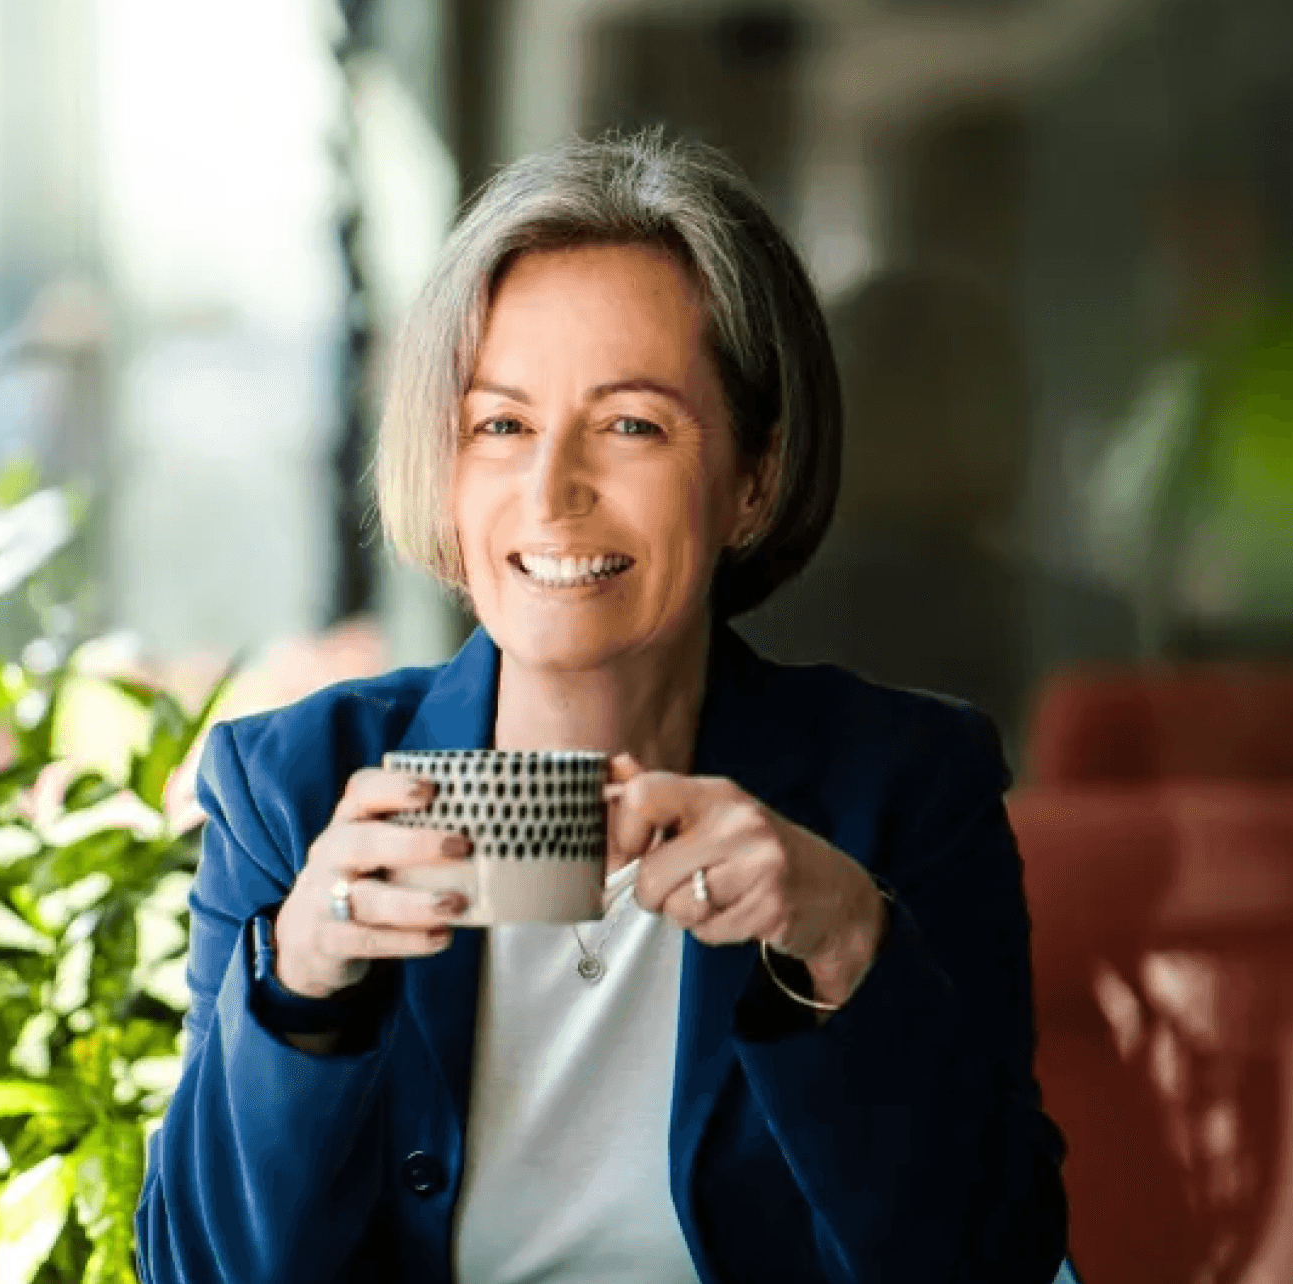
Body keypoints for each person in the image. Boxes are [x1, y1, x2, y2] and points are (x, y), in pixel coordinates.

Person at [135, 132, 1072, 1284]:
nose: (550, 489)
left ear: (753, 479)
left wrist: (842, 940)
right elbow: (195, 1269)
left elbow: (995, 1262)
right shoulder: (290, 786)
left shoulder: (902, 785)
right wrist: (301, 985)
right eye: (500, 425)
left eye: (630, 425)